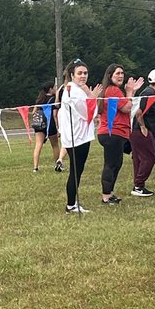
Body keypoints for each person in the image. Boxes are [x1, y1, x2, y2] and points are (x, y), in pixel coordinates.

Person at [58, 60, 101, 213]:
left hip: (79, 135)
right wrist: (92, 95)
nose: (83, 76)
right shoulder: (73, 91)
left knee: (77, 170)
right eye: (79, 73)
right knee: (76, 171)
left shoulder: (75, 89)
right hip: (77, 137)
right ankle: (71, 205)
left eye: (85, 73)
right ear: (72, 75)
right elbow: (87, 113)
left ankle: (72, 203)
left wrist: (89, 95)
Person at [97, 63, 142, 205]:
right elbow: (127, 108)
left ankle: (110, 193)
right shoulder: (113, 90)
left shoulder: (112, 90)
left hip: (115, 133)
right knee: (111, 164)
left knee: (116, 163)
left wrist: (130, 93)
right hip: (112, 132)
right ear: (110, 76)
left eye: (122, 73)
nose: (121, 76)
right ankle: (106, 196)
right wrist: (130, 93)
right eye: (117, 73)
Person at [130, 67, 155, 196]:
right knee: (150, 158)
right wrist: (142, 127)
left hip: (138, 132)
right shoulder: (149, 93)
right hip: (142, 131)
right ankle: (139, 185)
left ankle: (138, 185)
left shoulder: (149, 92)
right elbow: (139, 110)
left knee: (138, 159)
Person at [30, 82, 65, 172]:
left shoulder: (40, 99)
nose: (55, 89)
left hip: (39, 124)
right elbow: (54, 114)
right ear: (50, 89)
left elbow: (33, 112)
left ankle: (35, 167)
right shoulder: (53, 99)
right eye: (54, 88)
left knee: (38, 145)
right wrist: (58, 128)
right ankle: (57, 164)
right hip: (50, 124)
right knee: (55, 145)